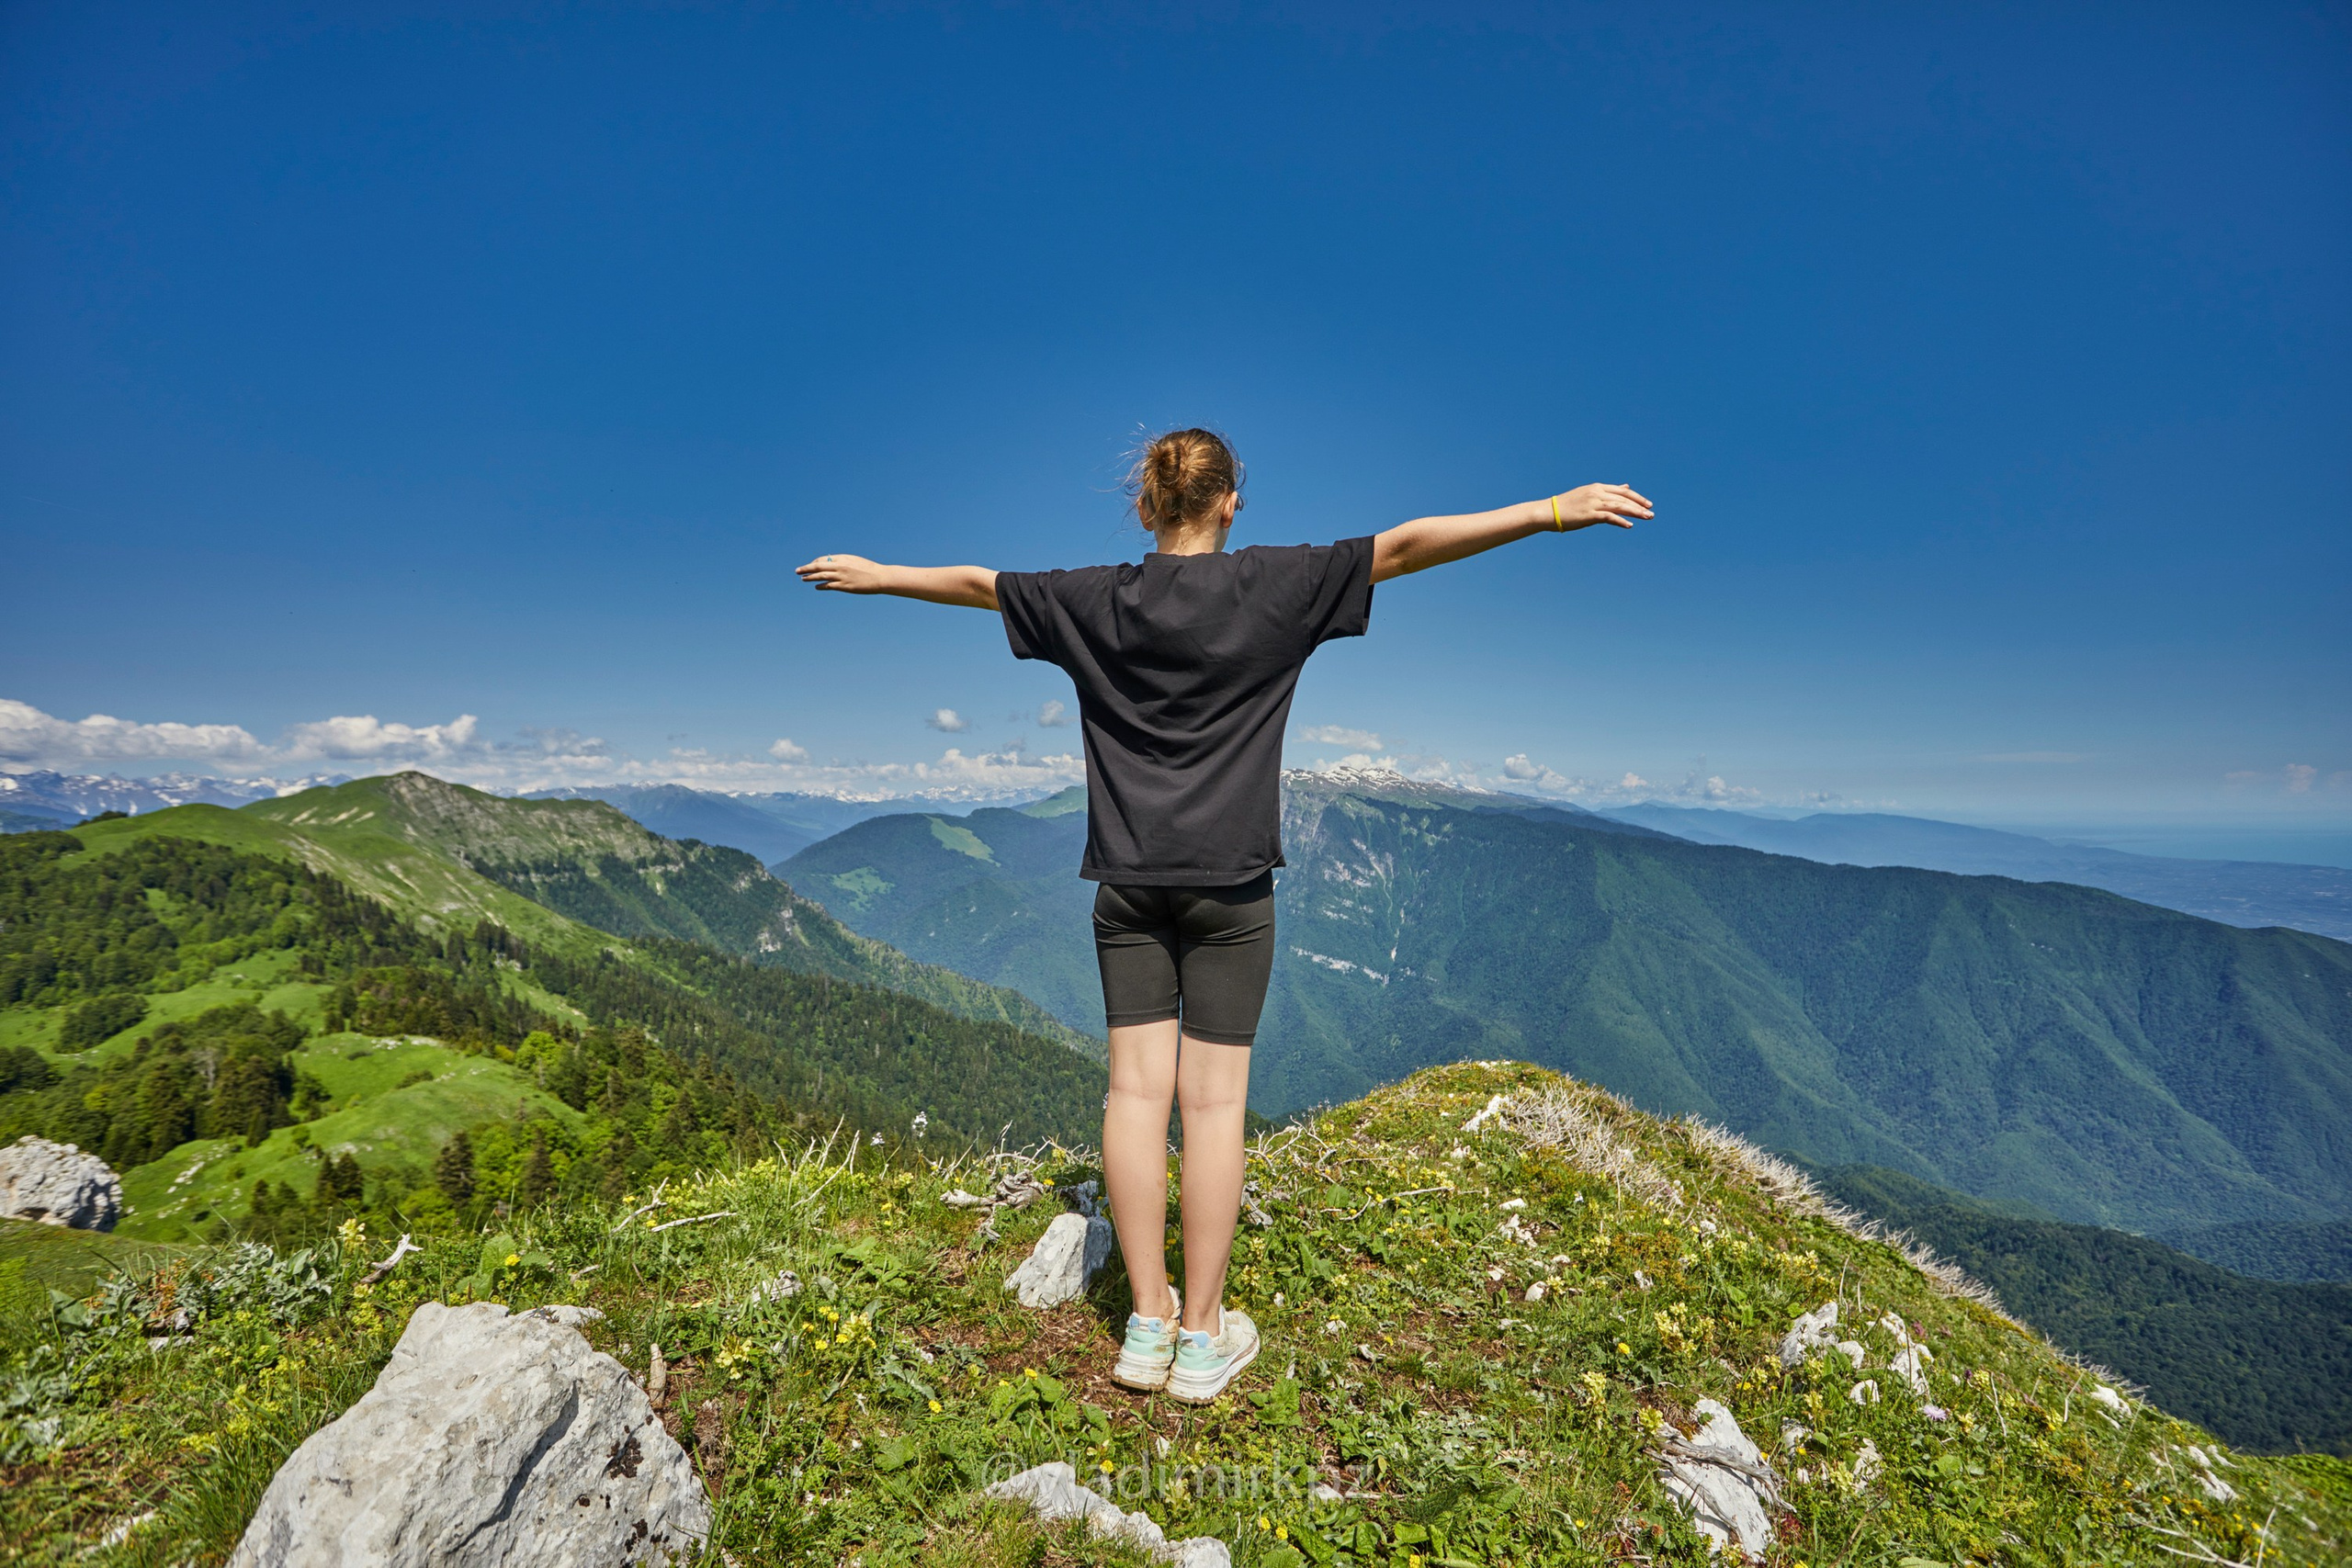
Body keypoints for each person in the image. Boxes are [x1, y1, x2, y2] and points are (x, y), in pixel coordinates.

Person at [798, 428, 1650, 1403]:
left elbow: (978, 583)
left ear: (1144, 506)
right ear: (1229, 503)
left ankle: (1145, 1322)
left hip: (1126, 885)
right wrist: (1547, 512)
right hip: (1230, 891)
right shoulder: (1273, 586)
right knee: (1210, 1108)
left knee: (1132, 1098)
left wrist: (880, 574)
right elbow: (1408, 546)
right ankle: (1203, 1336)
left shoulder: (1092, 599)